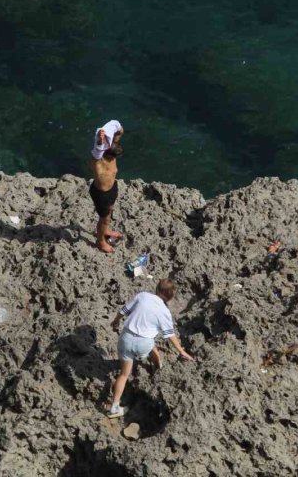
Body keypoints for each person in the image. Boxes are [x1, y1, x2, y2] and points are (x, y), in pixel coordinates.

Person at [107, 278, 194, 418]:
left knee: (124, 374)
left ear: (157, 288)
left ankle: (114, 407)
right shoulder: (164, 312)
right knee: (151, 345)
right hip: (143, 344)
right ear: (170, 297)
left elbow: (123, 310)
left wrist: (115, 321)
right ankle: (158, 366)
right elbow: (170, 335)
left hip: (126, 338)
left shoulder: (142, 296)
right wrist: (182, 351)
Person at [89, 119, 124, 253]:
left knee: (109, 212)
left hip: (112, 188)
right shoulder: (97, 161)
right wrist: (99, 141)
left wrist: (117, 127)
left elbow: (119, 132)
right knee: (104, 219)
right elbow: (97, 150)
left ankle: (106, 230)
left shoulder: (112, 154)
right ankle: (100, 241)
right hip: (101, 193)